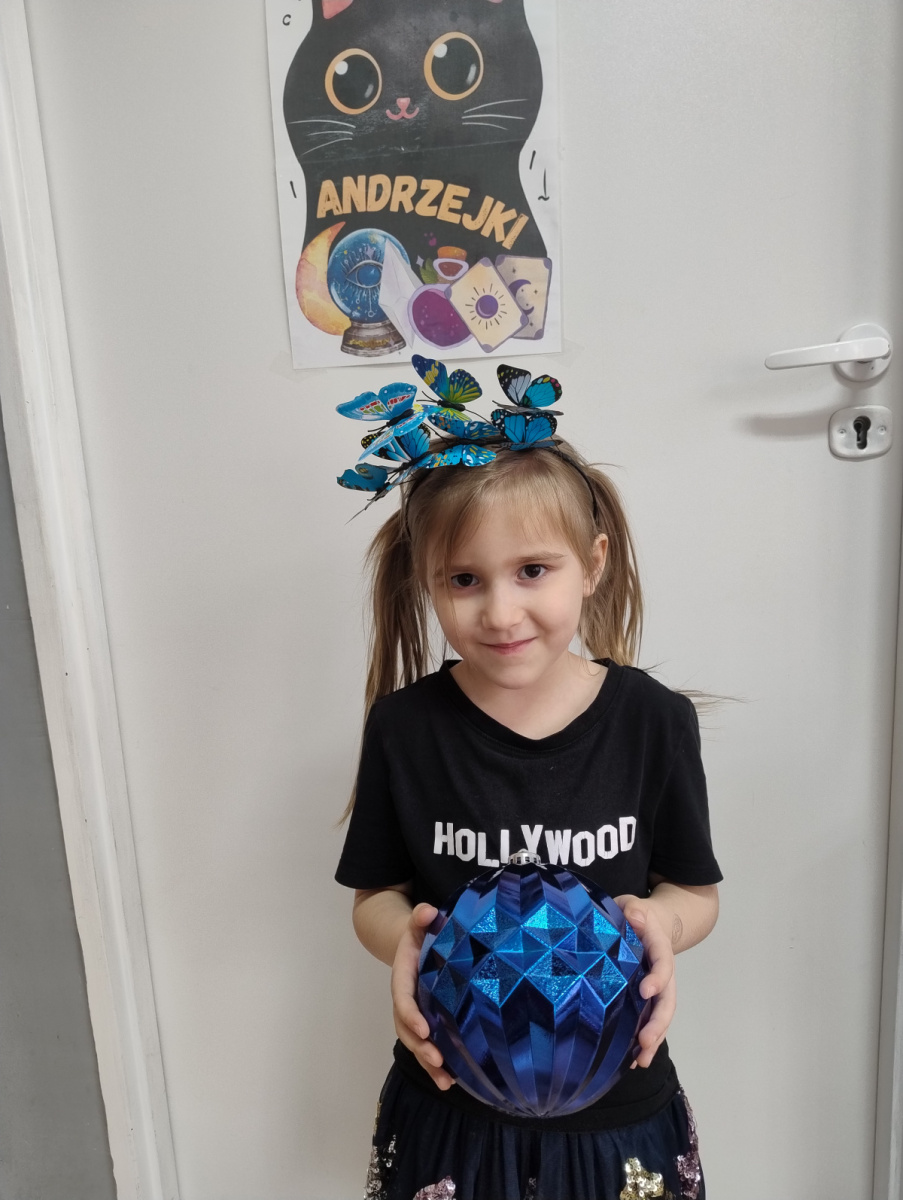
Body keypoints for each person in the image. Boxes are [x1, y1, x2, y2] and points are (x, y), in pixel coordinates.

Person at [334, 365, 721, 1200]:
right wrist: (404, 940)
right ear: (426, 581)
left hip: (619, 1111)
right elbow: (374, 897)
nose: (501, 612)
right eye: (463, 580)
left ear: (593, 563)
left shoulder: (652, 721)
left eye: (533, 571)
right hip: (449, 1108)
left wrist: (660, 921)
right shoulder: (404, 728)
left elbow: (694, 891)